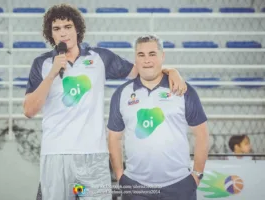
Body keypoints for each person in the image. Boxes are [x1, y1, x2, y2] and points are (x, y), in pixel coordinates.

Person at [24, 4, 187, 200]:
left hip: (94, 156)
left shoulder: (99, 57)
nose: (63, 33)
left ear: (77, 29)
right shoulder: (42, 64)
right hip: (55, 154)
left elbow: (141, 70)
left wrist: (171, 71)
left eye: (67, 26)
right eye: (56, 29)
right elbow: (29, 110)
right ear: (50, 34)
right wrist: (51, 75)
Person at [108, 35, 209, 200]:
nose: (147, 60)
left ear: (162, 56)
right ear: (135, 58)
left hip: (180, 185)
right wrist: (120, 176)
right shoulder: (121, 94)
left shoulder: (182, 89)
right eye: (141, 55)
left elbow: (202, 134)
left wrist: (196, 175)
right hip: (135, 186)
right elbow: (114, 138)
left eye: (152, 54)